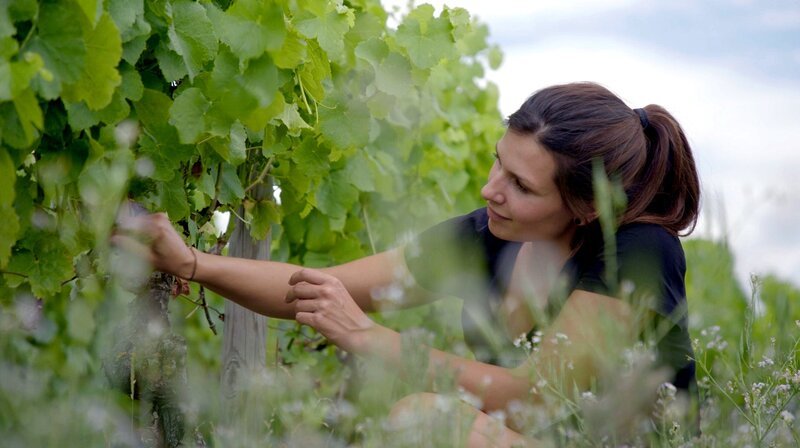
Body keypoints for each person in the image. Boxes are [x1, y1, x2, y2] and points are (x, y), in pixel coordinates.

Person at [114, 82, 700, 446]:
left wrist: (368, 336)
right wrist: (191, 262)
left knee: (425, 420)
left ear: (582, 207)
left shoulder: (639, 252)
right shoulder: (488, 233)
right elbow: (321, 290)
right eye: (499, 164)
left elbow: (539, 396)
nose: (490, 188)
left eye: (520, 185)